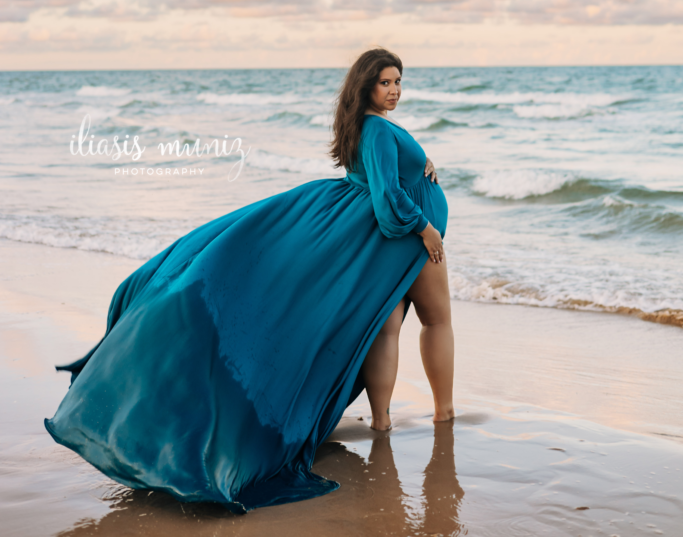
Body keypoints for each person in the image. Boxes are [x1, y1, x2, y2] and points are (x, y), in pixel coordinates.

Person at [45, 48, 454, 513]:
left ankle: (382, 420)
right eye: (386, 82)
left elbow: (378, 176)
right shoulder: (378, 128)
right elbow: (386, 200)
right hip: (405, 240)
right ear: (366, 86)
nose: (395, 90)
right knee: (434, 321)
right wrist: (424, 227)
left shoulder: (367, 124)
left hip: (376, 242)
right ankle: (442, 413)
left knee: (387, 326)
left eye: (399, 81)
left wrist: (419, 163)